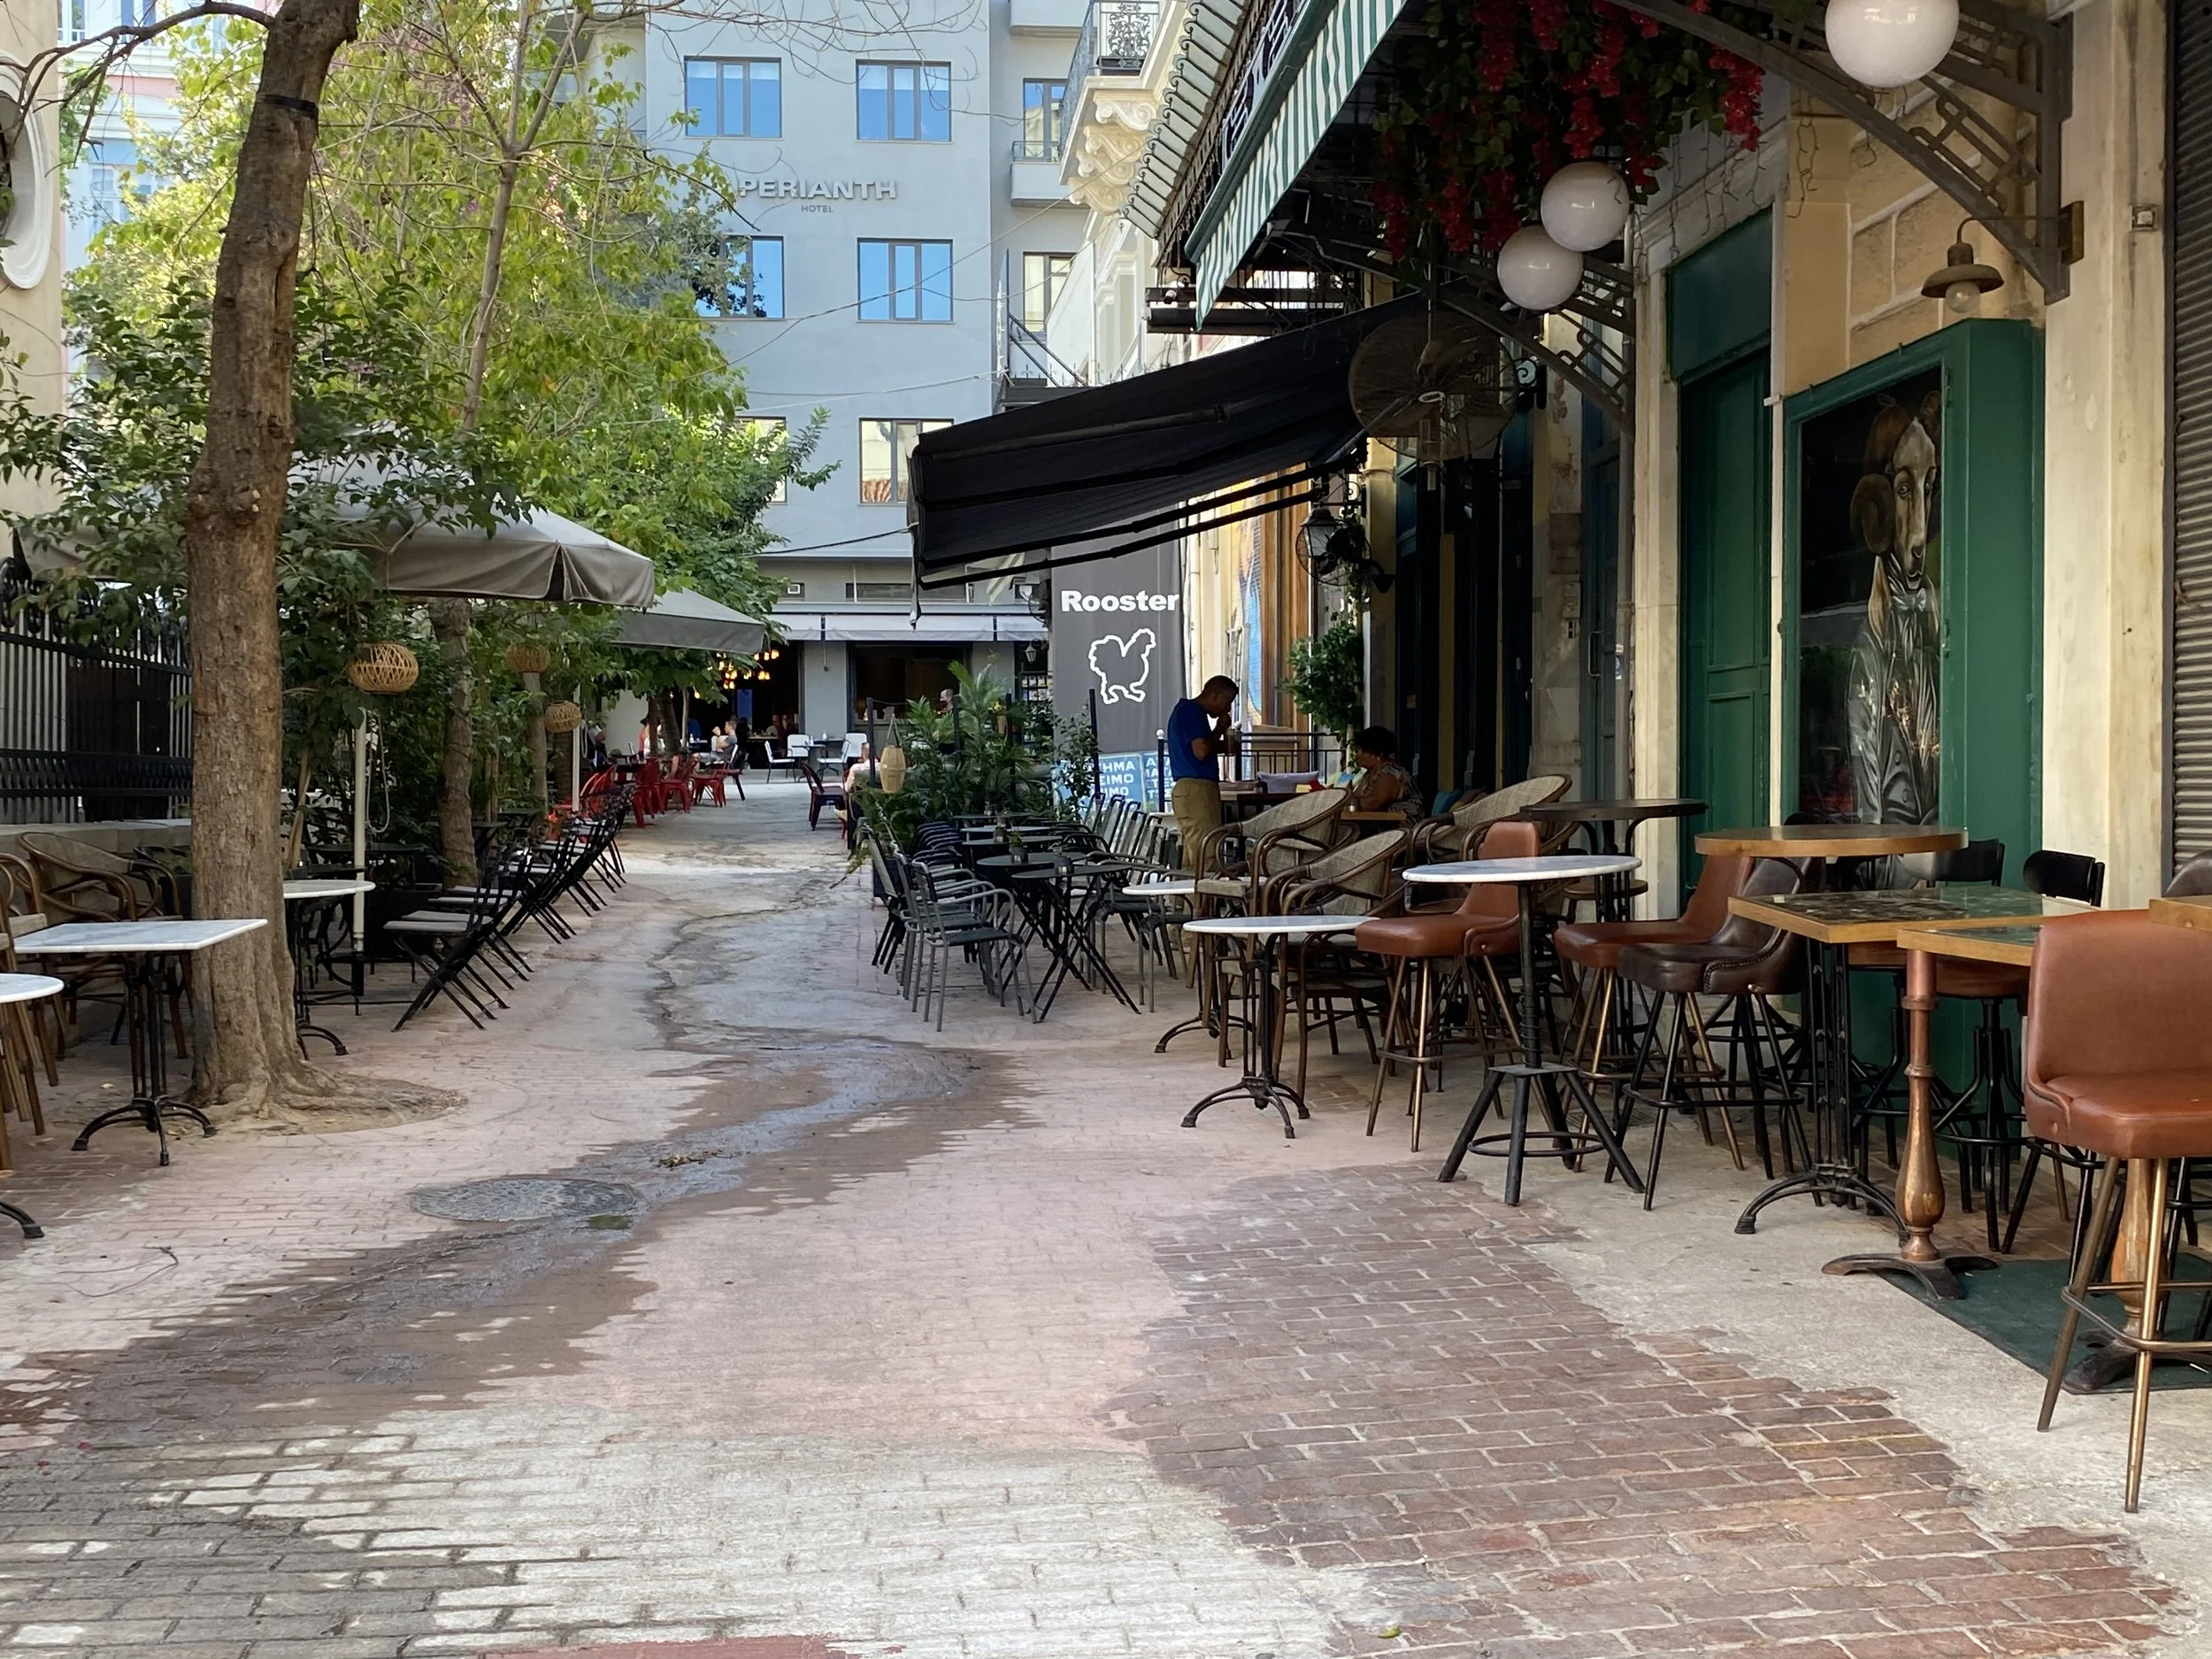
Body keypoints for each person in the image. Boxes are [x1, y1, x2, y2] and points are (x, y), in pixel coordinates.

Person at [1167, 675, 1239, 872]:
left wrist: (1225, 743)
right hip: (1197, 789)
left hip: (1189, 789)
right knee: (1207, 852)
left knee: (1192, 857)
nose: (1228, 709)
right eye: (1227, 702)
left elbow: (1200, 748)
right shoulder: (1192, 712)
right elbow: (1201, 751)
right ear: (1214, 696)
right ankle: (1204, 901)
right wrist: (1220, 729)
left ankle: (1186, 901)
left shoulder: (1184, 712)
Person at [1347, 726, 1421, 816]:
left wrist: (1348, 801)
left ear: (1378, 754)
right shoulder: (1370, 774)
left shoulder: (1390, 774)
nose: (1357, 754)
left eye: (1361, 750)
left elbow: (1372, 803)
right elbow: (1355, 797)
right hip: (1377, 824)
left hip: (1399, 827)